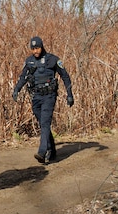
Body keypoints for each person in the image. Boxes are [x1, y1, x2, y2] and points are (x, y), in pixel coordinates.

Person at [11, 36, 74, 164]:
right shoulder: (29, 61)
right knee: (42, 123)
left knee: (45, 122)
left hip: (49, 96)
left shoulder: (53, 60)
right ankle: (52, 149)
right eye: (33, 49)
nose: (35, 51)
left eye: (37, 48)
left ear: (42, 46)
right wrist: (16, 89)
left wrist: (69, 94)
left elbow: (65, 76)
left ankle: (42, 151)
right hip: (36, 97)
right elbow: (23, 77)